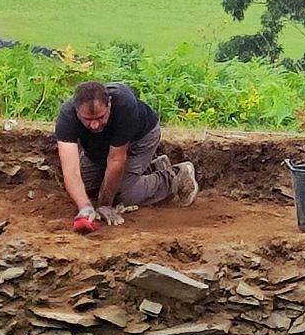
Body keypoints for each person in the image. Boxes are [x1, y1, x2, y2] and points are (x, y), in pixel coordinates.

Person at [53, 80, 197, 232]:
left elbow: (116, 160)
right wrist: (85, 207)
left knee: (122, 195)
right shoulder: (66, 118)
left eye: (100, 117)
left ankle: (174, 178)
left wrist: (105, 205)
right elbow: (70, 172)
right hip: (100, 147)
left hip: (140, 139)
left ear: (109, 104)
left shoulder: (123, 103)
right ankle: (151, 168)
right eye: (87, 120)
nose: (94, 125)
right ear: (76, 112)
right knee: (85, 188)